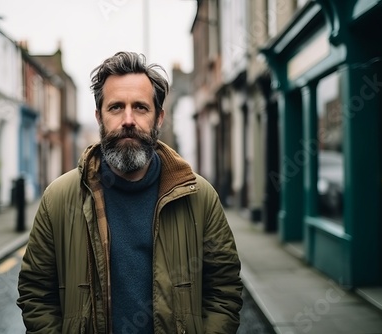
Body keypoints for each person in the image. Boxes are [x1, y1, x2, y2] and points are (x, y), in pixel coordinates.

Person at [17, 51, 243, 333]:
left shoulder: (199, 197)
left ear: (158, 118)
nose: (128, 120)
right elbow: (36, 293)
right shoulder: (58, 199)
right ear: (99, 117)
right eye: (115, 108)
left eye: (140, 107)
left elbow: (224, 289)